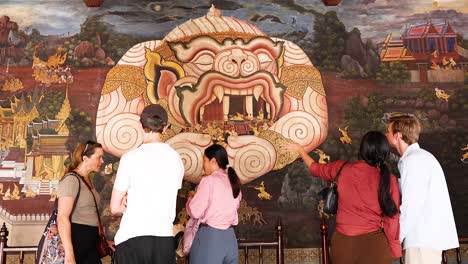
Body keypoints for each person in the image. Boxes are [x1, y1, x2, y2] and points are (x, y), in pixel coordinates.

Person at [287, 131, 401, 264]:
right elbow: (392, 219)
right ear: (385, 152)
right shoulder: (389, 179)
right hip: (375, 247)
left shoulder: (341, 168)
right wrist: (394, 249)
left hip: (343, 245)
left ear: (362, 149)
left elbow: (315, 168)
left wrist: (300, 150)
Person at [110, 104, 185, 264]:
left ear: (140, 124)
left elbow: (114, 208)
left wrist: (127, 202)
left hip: (132, 238)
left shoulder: (129, 158)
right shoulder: (176, 160)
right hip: (163, 239)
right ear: (165, 128)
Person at [386, 115, 458, 264]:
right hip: (424, 238)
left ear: (398, 135)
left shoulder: (414, 161)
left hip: (422, 239)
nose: (386, 134)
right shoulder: (418, 158)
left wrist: (396, 238)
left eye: (388, 131)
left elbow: (411, 206)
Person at [186, 144, 242, 264]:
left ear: (213, 161)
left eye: (204, 160)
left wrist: (190, 199)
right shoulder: (233, 182)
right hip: (230, 238)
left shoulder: (208, 181)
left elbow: (195, 212)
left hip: (211, 238)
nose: (203, 165)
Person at [57, 140, 110, 264]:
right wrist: (70, 255)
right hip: (78, 243)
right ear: (85, 158)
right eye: (99, 157)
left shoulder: (86, 180)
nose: (102, 161)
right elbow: (62, 217)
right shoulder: (71, 180)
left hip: (89, 244)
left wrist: (102, 240)